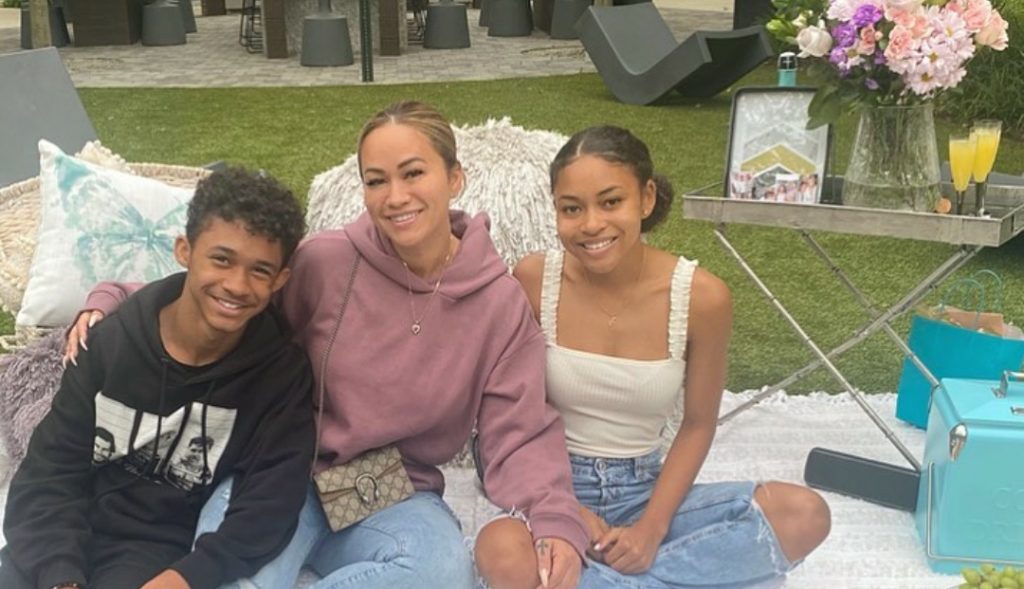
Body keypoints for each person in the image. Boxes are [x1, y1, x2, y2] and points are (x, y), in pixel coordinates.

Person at [65, 101, 588, 589]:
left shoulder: (497, 302)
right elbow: (229, 302)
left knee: (441, 569)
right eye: (376, 180)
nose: (395, 196)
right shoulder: (327, 261)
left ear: (454, 178)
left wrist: (552, 516)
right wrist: (116, 297)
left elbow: (518, 430)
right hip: (282, 471)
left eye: (413, 173)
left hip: (386, 488)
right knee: (232, 573)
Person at [476, 126, 831, 589]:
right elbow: (503, 415)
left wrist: (652, 529)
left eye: (610, 202)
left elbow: (699, 423)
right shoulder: (533, 279)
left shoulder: (702, 297)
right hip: (551, 487)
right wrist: (566, 513)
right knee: (501, 551)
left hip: (645, 491)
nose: (590, 225)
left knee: (804, 515)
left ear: (645, 199)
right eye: (571, 208)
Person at [2, 167, 315, 589]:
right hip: (56, 543)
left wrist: (189, 576)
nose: (237, 285)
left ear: (280, 280)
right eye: (221, 259)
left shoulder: (279, 374)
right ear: (184, 250)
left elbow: (270, 504)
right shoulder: (110, 344)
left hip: (154, 559)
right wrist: (61, 577)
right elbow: (48, 474)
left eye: (260, 271)